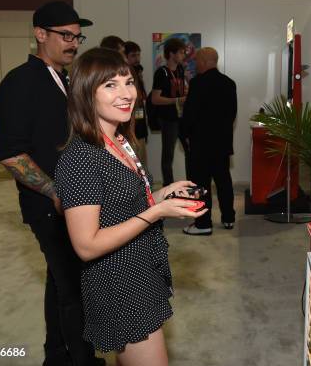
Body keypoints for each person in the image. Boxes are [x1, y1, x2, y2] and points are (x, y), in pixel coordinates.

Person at [55, 47, 206, 366]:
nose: (126, 94)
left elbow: (123, 202)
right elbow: (86, 245)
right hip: (119, 283)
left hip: (141, 268)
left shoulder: (119, 140)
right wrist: (156, 213)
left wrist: (164, 193)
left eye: (128, 82)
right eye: (110, 85)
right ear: (86, 94)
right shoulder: (81, 158)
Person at [0, 1, 104, 366]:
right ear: (40, 34)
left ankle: (56, 354)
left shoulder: (63, 78)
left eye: (77, 36)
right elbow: (11, 153)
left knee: (59, 281)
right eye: (65, 36)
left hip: (73, 203)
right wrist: (56, 191)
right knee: (75, 290)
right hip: (49, 207)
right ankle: (82, 359)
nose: (74, 43)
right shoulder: (20, 82)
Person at [181, 47, 237, 235]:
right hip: (222, 143)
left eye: (197, 60)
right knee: (223, 180)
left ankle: (203, 224)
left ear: (204, 61)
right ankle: (228, 218)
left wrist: (184, 135)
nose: (195, 64)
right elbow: (232, 115)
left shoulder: (197, 83)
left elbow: (189, 114)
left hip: (201, 144)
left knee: (200, 185)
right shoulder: (230, 83)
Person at [151, 38, 189, 185]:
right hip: (168, 118)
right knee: (168, 155)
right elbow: (155, 99)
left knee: (188, 150)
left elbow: (180, 91)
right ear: (171, 54)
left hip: (181, 116)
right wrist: (177, 101)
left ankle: (190, 183)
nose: (183, 55)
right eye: (180, 52)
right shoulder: (161, 73)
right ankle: (169, 187)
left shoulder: (180, 69)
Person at [125, 41, 148, 164]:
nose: (137, 59)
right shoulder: (126, 75)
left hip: (140, 125)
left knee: (142, 162)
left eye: (138, 55)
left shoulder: (138, 73)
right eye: (133, 55)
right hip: (130, 129)